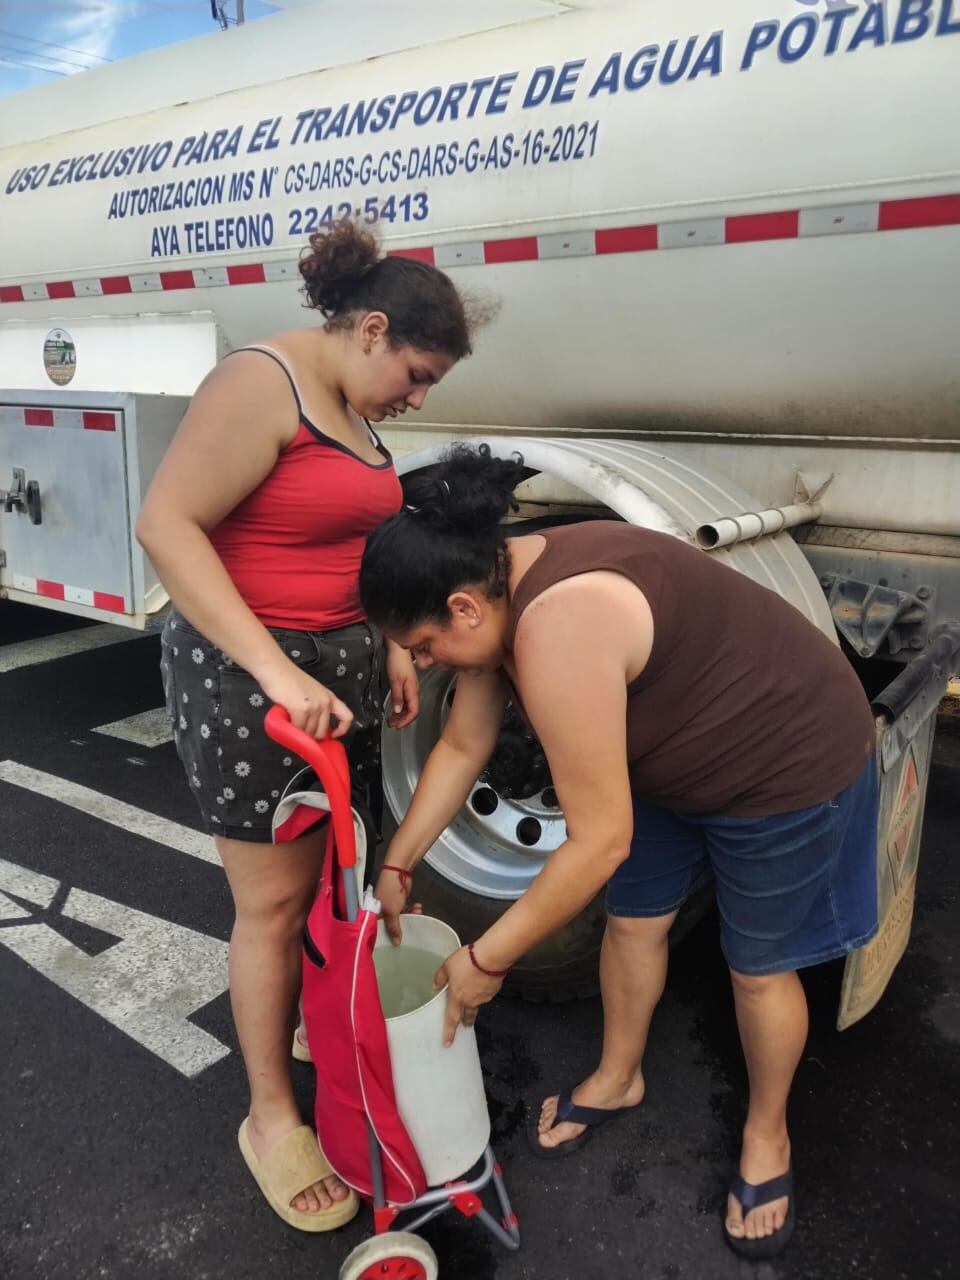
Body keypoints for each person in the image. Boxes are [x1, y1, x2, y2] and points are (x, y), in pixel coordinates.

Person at [359, 444, 879, 1261]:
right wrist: (397, 863)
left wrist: (486, 958)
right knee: (633, 924)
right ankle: (618, 1074)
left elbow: (600, 841)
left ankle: (768, 1134)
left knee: (758, 968)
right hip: (675, 757)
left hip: (787, 763)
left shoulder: (559, 624)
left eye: (421, 645)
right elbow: (462, 746)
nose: (421, 664)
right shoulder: (502, 587)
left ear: (462, 608)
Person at [135, 220, 480, 1232]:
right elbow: (167, 524)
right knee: (276, 905)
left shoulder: (353, 410)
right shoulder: (261, 384)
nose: (417, 400)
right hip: (254, 683)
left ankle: (304, 1025)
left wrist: (391, 645)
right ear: (370, 328)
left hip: (335, 675)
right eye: (415, 375)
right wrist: (276, 669)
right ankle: (270, 1116)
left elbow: (347, 547)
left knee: (339, 871)